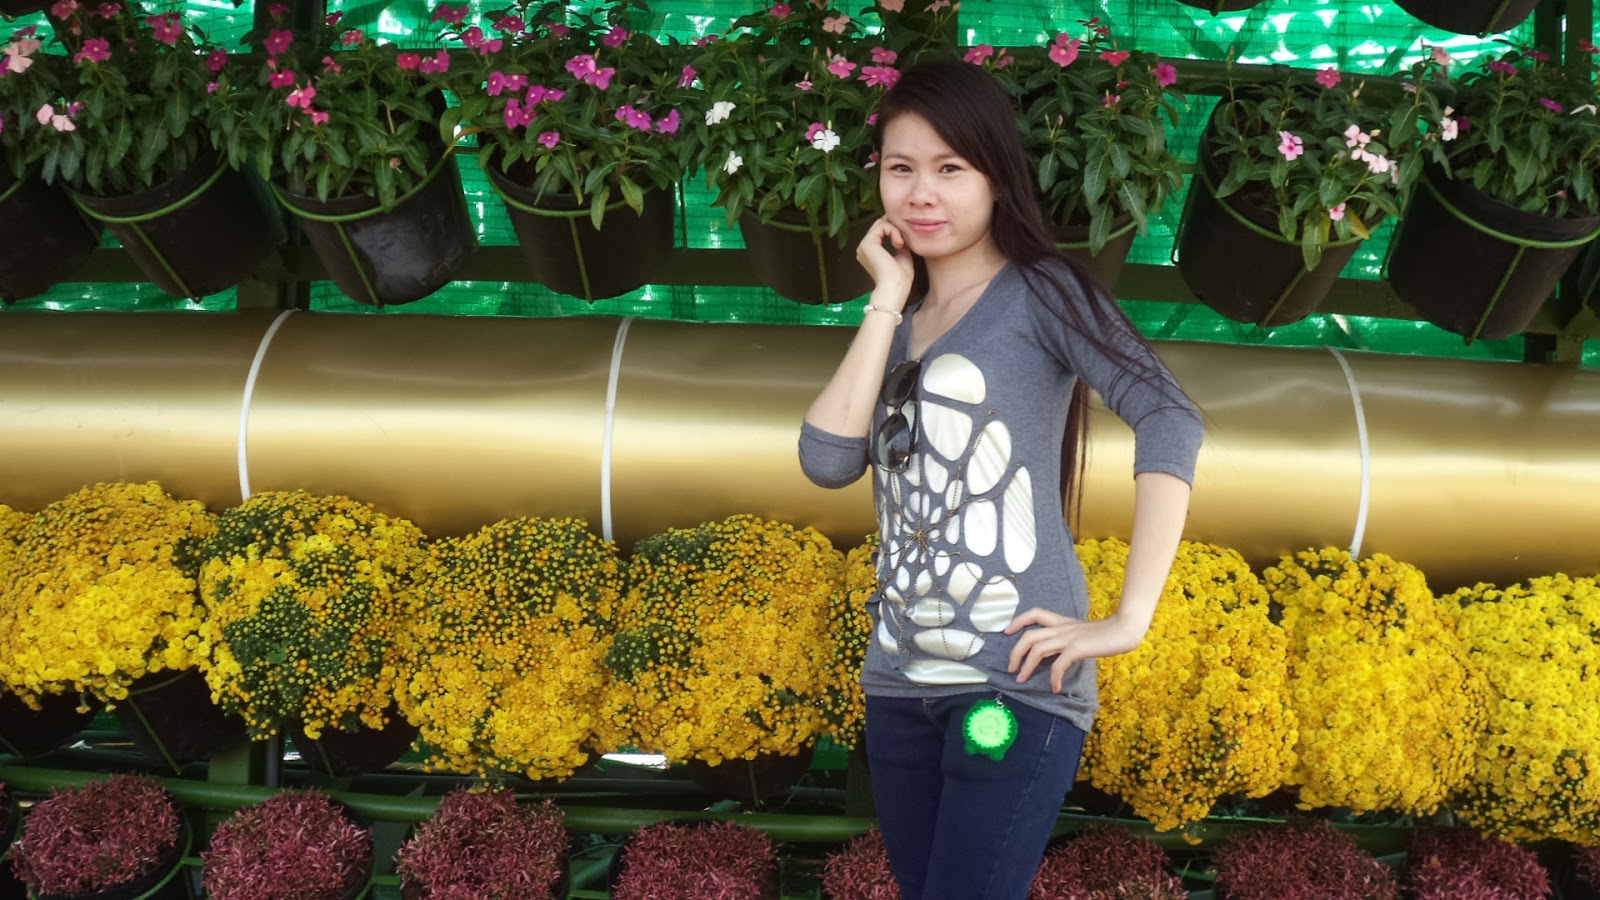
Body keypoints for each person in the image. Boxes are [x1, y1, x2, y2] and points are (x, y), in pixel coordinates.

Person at [797, 58, 1204, 900]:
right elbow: (828, 461)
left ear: (996, 176)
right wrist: (886, 299)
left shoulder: (1041, 292)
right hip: (898, 684)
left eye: (950, 168)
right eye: (901, 169)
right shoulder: (901, 323)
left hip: (1011, 681)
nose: (922, 194)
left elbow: (1171, 416)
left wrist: (1128, 619)